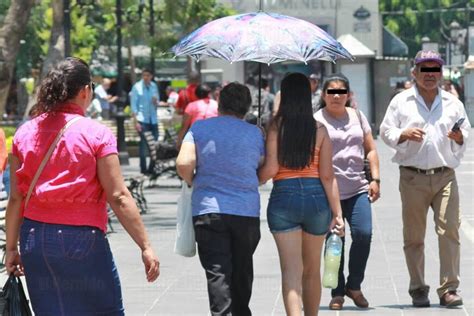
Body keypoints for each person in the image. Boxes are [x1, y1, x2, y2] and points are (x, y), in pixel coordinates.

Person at [5, 57, 160, 315]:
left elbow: (16, 199)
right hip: (81, 240)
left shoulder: (24, 133)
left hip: (35, 240)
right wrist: (145, 246)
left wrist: (11, 248)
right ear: (85, 91)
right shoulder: (97, 134)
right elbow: (119, 195)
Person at [380, 50, 470, 308]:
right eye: (424, 70)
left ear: (441, 74)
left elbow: (465, 131)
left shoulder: (453, 102)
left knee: (449, 231)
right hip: (412, 177)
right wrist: (404, 133)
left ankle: (449, 288)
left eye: (434, 70)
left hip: (445, 176)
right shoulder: (401, 101)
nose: (430, 75)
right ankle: (418, 288)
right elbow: (385, 131)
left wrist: (459, 138)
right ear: (415, 73)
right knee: (414, 237)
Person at [258, 73, 344, 316]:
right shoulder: (320, 129)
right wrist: (338, 213)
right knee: (311, 269)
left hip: (284, 198)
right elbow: (328, 176)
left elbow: (272, 169)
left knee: (291, 272)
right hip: (317, 199)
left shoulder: (275, 127)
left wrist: (256, 177)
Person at [176, 82, 264, 316]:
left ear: (220, 104)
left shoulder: (200, 129)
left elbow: (184, 163)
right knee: (242, 267)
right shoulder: (255, 132)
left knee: (218, 271)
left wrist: (193, 181)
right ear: (247, 106)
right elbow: (264, 167)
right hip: (246, 211)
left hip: (208, 210)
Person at [314, 73, 380, 310]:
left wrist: (375, 179)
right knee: (335, 241)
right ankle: (337, 291)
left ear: (348, 95)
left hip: (357, 189)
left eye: (341, 91)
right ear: (323, 95)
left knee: (364, 234)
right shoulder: (316, 121)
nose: (336, 96)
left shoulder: (358, 116)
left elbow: (371, 150)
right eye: (331, 92)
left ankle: (354, 285)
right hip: (327, 192)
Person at [130, 68, 160, 174]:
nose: (146, 77)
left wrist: (156, 102)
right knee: (143, 145)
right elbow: (133, 106)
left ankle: (152, 168)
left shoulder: (154, 86)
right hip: (142, 119)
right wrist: (136, 122)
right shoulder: (137, 87)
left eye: (148, 75)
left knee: (155, 145)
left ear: (151, 76)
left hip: (153, 119)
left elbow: (158, 103)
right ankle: (143, 169)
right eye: (144, 75)